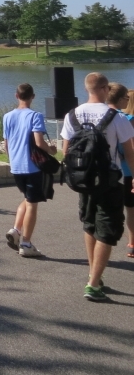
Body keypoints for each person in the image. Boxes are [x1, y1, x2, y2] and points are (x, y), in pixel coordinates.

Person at [60, 72, 134, 301]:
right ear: (103, 88)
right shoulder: (117, 117)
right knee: (108, 230)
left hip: (84, 181)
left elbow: (66, 152)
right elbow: (129, 153)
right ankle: (93, 284)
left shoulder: (72, 115)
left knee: (90, 225)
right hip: (110, 182)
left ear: (86, 89)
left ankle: (95, 274)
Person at [2, 83, 56, 257]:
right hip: (32, 166)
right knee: (32, 204)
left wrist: (12, 160)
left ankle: (16, 230)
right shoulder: (35, 115)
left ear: (16, 96)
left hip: (16, 166)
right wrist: (52, 150)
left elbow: (7, 144)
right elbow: (39, 142)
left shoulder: (7, 116)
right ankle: (26, 243)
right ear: (33, 96)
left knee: (27, 198)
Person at [106, 83, 134, 260]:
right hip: (130, 172)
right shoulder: (127, 120)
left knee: (128, 209)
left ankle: (131, 244)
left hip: (116, 172)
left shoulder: (113, 117)